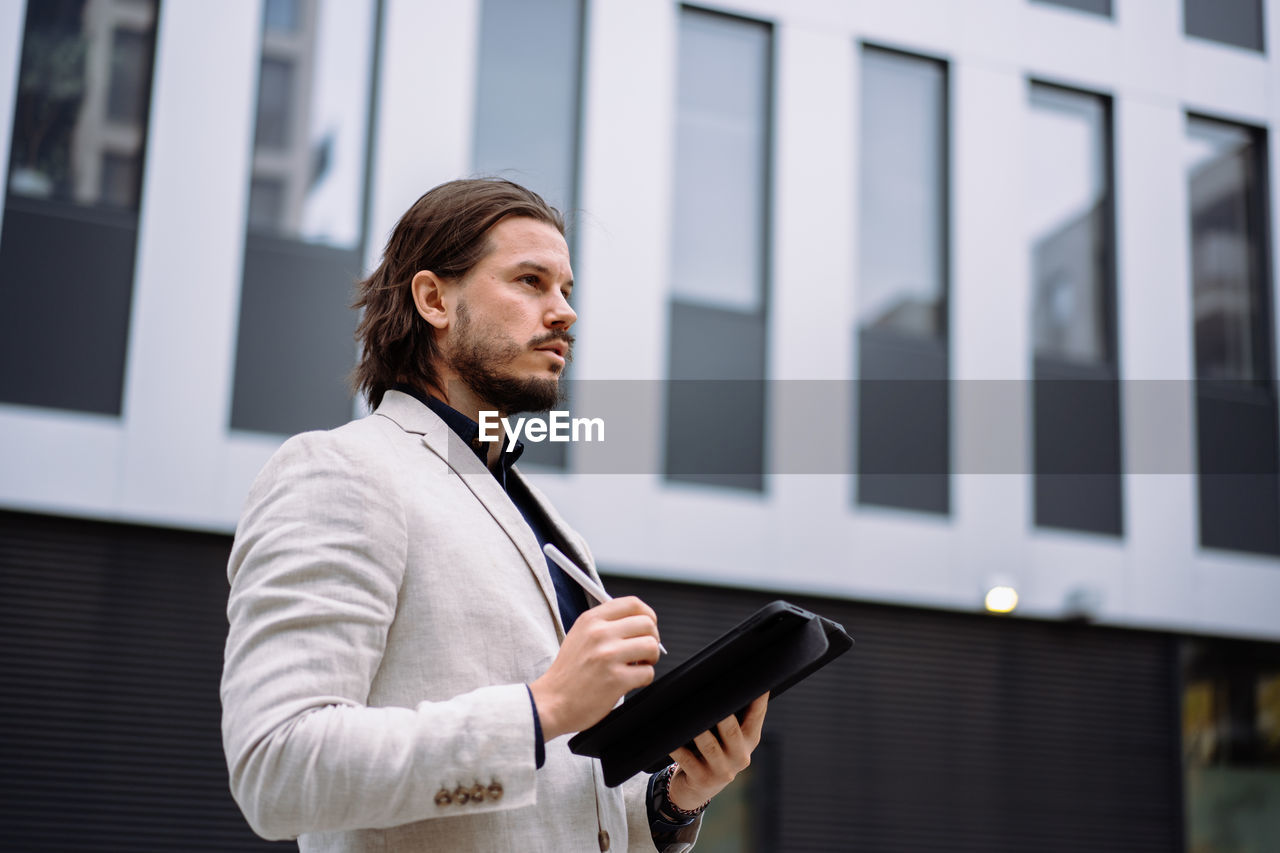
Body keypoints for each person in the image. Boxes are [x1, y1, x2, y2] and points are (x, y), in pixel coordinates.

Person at [220, 178, 768, 852]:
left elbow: (560, 804)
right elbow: (276, 768)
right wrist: (543, 708)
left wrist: (672, 799)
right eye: (531, 281)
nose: (563, 312)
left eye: (566, 290)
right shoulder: (341, 472)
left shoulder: (552, 528)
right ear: (433, 299)